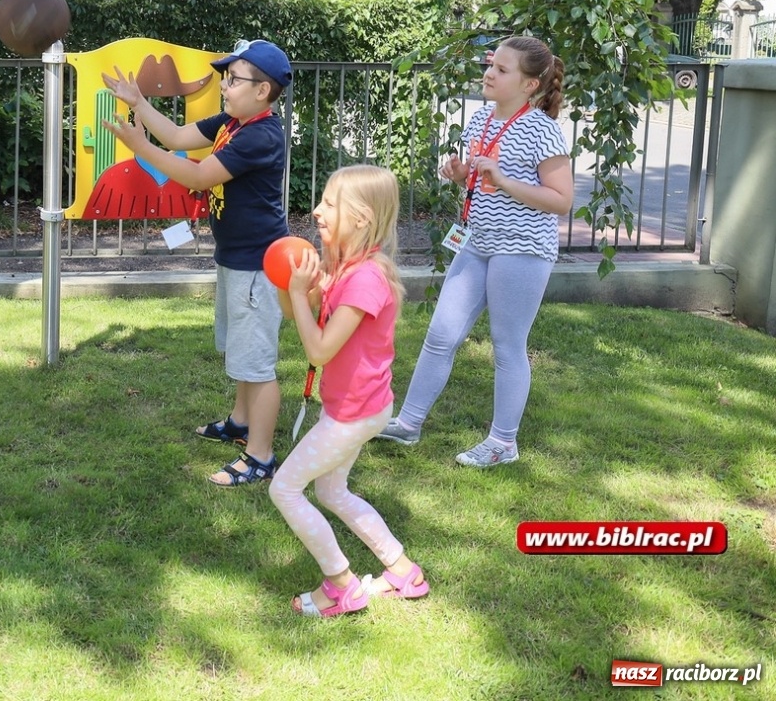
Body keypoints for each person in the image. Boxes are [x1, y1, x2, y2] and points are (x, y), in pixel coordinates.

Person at [377, 35, 573, 466]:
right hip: (478, 243)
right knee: (441, 335)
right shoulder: (481, 119)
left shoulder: (543, 130)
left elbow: (561, 200)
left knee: (507, 345)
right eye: (491, 65)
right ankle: (408, 424)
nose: (489, 74)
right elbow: (478, 181)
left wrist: (504, 180)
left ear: (529, 84)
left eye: (502, 70)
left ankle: (503, 443)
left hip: (521, 250)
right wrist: (461, 173)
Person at [104, 39, 291, 486]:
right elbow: (178, 137)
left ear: (263, 90)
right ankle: (240, 424)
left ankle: (260, 457)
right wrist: (140, 104)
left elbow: (199, 174)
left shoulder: (261, 134)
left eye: (234, 79)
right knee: (241, 352)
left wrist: (139, 147)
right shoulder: (233, 122)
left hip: (257, 266)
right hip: (236, 259)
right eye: (226, 76)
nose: (225, 86)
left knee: (257, 364)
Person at [272, 164, 430, 616]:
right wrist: (292, 285)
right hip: (355, 407)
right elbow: (295, 312)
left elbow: (319, 350)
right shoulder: (346, 266)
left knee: (284, 489)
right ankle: (403, 571)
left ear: (360, 218)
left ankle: (340, 586)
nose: (317, 210)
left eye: (329, 204)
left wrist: (302, 297)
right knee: (331, 492)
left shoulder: (366, 279)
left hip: (353, 414)